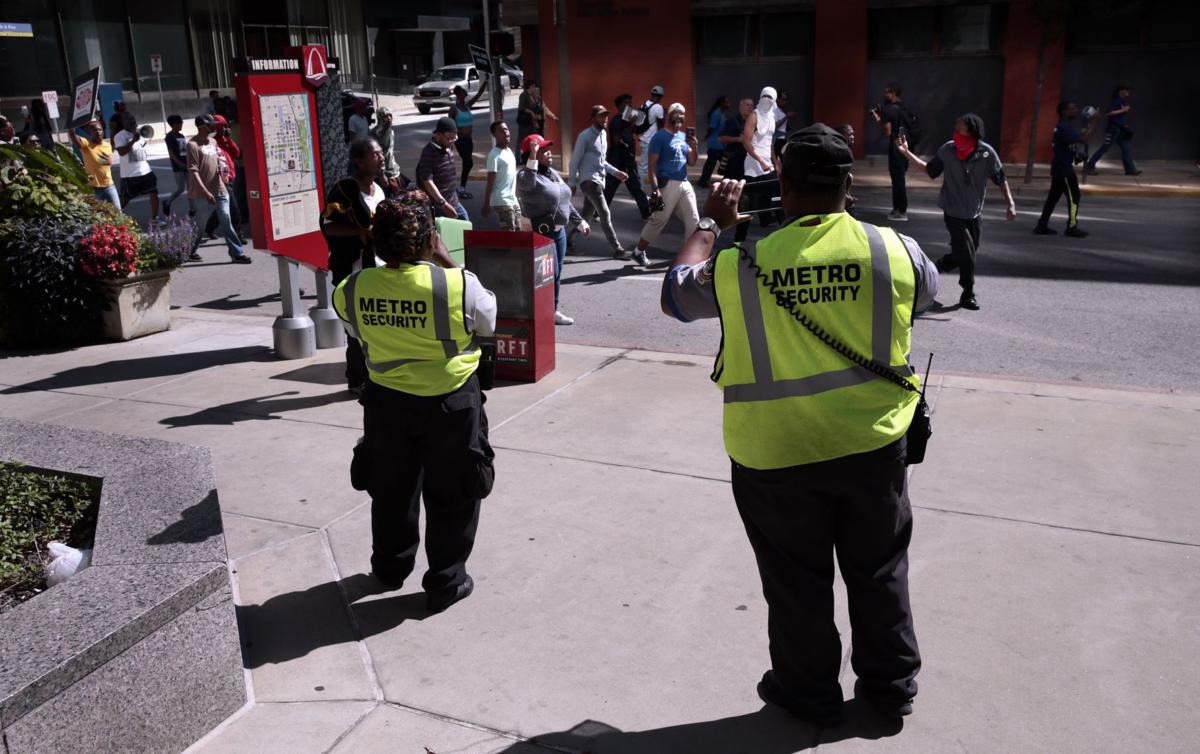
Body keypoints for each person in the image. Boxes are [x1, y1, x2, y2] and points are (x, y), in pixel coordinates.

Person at [659, 123, 938, 728]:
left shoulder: (737, 264)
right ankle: (890, 690)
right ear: (848, 185)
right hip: (873, 444)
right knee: (880, 570)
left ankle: (808, 693)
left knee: (796, 585)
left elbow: (675, 296)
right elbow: (923, 298)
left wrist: (711, 225)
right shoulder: (897, 250)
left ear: (780, 183)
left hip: (774, 456)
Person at [333, 191, 497, 613]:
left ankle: (389, 569)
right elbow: (487, 321)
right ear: (429, 241)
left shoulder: (350, 289)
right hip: (451, 405)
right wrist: (449, 262)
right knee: (453, 493)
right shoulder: (458, 283)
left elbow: (355, 334)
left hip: (386, 404)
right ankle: (445, 581)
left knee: (390, 490)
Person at [896, 113, 1016, 311]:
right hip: (953, 211)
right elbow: (929, 170)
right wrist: (906, 152)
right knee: (967, 254)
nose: (956, 134)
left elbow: (1000, 178)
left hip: (974, 213)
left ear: (972, 132)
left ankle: (939, 265)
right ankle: (967, 293)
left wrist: (1010, 203)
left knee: (967, 251)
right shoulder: (948, 150)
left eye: (960, 130)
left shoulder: (986, 153)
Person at [322, 138, 392, 397]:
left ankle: (376, 374)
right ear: (360, 161)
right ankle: (356, 379)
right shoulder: (344, 191)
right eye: (375, 154)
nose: (381, 157)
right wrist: (359, 231)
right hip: (352, 270)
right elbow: (328, 225)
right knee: (356, 328)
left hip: (380, 270)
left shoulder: (382, 188)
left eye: (381, 153)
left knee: (378, 326)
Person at [516, 134, 589, 325]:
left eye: (548, 149)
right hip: (542, 233)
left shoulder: (551, 173)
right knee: (545, 275)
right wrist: (532, 154)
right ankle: (538, 310)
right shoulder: (525, 176)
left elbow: (564, 200)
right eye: (543, 150)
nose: (549, 153)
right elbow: (529, 184)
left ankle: (552, 310)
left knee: (555, 274)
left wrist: (579, 222)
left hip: (559, 233)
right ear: (531, 154)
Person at [631, 103, 699, 266]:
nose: (680, 117)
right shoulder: (659, 137)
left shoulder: (683, 137)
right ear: (669, 116)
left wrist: (694, 146)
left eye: (682, 114)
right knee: (659, 219)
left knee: (694, 219)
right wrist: (655, 189)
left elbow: (692, 161)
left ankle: (688, 256)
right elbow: (652, 166)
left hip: (684, 183)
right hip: (667, 184)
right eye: (676, 113)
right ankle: (638, 251)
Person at [568, 105, 629, 259]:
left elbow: (602, 162)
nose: (605, 119)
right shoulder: (585, 136)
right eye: (601, 116)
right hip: (589, 181)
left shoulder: (603, 135)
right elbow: (574, 160)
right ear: (593, 118)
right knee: (604, 213)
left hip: (598, 180)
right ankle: (617, 249)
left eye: (606, 115)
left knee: (586, 216)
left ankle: (568, 241)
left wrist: (616, 172)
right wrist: (572, 183)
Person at [187, 114, 250, 263]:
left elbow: (220, 159)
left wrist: (225, 172)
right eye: (211, 124)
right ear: (202, 126)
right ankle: (190, 250)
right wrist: (205, 191)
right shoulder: (193, 145)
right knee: (200, 225)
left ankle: (237, 253)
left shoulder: (213, 141)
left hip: (220, 189)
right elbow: (193, 170)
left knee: (226, 220)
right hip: (202, 192)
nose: (214, 127)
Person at [1035, 102, 1096, 238]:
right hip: (1064, 170)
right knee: (1074, 197)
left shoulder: (1064, 127)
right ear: (1064, 112)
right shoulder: (1063, 127)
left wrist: (1077, 156)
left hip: (1060, 167)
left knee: (1053, 197)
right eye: (1072, 109)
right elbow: (1083, 139)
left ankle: (1042, 224)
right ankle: (1072, 226)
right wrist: (1094, 123)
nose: (1076, 110)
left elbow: (1069, 146)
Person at [734, 87, 779, 243]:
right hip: (753, 165)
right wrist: (761, 161)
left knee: (777, 200)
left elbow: (770, 142)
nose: (767, 100)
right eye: (765, 96)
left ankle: (777, 231)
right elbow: (746, 142)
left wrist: (775, 161)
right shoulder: (754, 116)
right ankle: (739, 240)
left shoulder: (772, 116)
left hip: (768, 164)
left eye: (770, 97)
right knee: (748, 205)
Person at [604, 93, 651, 221]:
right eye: (625, 103)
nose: (629, 105)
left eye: (630, 102)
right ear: (619, 105)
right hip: (616, 161)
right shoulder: (616, 121)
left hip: (629, 160)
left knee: (637, 189)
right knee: (609, 189)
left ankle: (647, 214)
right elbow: (617, 141)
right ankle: (599, 213)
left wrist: (639, 120)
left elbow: (642, 129)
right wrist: (629, 125)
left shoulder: (631, 119)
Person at [417, 117, 469, 221]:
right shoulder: (428, 152)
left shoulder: (448, 146)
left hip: (454, 201)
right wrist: (443, 203)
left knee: (466, 226)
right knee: (447, 234)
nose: (452, 142)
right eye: (449, 138)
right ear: (439, 135)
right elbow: (427, 181)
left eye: (454, 138)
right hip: (439, 206)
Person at [203, 115, 246, 242]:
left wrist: (228, 139)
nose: (225, 129)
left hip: (231, 177)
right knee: (234, 209)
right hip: (221, 180)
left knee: (223, 207)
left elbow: (236, 154)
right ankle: (238, 235)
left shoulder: (225, 139)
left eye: (226, 126)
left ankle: (209, 228)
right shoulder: (211, 141)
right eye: (223, 127)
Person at [872, 83, 909, 221]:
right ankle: (899, 208)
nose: (884, 95)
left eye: (886, 92)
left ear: (893, 93)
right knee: (900, 179)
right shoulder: (905, 108)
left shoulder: (888, 110)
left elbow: (887, 132)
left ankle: (900, 210)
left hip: (896, 149)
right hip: (906, 148)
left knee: (897, 180)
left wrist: (878, 119)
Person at [1085, 84, 1140, 176]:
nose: (1128, 92)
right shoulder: (1117, 101)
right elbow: (1108, 113)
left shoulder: (1121, 101)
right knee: (1104, 148)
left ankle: (1131, 170)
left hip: (1120, 129)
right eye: (1127, 90)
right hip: (1113, 129)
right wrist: (1124, 110)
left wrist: (1124, 124)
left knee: (1126, 149)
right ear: (1121, 91)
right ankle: (1089, 166)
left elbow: (1117, 116)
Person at [448, 79, 489, 199]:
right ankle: (461, 187)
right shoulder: (453, 109)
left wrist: (485, 82)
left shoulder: (467, 106)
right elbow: (449, 126)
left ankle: (461, 187)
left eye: (464, 96)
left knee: (468, 163)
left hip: (469, 139)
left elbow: (478, 95)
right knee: (468, 162)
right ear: (457, 96)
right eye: (461, 95)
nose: (463, 98)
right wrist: (450, 142)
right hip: (459, 140)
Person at [114, 113, 160, 220]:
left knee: (154, 192)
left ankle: (155, 219)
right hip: (130, 175)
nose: (132, 122)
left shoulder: (139, 134)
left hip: (145, 171)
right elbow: (121, 152)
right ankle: (110, 217)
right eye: (129, 120)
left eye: (133, 120)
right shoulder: (120, 136)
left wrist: (137, 136)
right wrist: (133, 140)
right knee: (124, 200)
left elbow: (142, 146)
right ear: (123, 122)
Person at [68, 118, 120, 208]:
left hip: (110, 186)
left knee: (118, 213)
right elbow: (73, 136)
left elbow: (104, 161)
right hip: (94, 189)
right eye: (94, 130)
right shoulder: (86, 145)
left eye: (99, 129)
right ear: (89, 132)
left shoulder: (107, 145)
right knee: (100, 217)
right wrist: (72, 124)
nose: (98, 132)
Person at [483, 122, 522, 231]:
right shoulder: (494, 155)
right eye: (501, 131)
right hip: (501, 201)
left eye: (507, 129)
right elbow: (490, 181)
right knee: (510, 235)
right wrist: (486, 204)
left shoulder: (509, 151)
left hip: (513, 200)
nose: (506, 132)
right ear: (494, 135)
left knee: (520, 235)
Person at [163, 114, 195, 218]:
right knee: (180, 188)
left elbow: (185, 151)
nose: (181, 124)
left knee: (190, 187)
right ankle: (167, 203)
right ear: (173, 124)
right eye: (180, 123)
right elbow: (171, 154)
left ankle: (192, 209)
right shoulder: (170, 136)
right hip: (178, 167)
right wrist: (180, 164)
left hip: (186, 164)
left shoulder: (181, 136)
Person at [636, 85, 666, 186]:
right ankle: (644, 188)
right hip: (652, 140)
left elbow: (638, 121)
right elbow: (661, 124)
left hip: (643, 139)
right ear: (661, 96)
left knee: (643, 165)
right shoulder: (658, 107)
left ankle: (641, 187)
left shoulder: (644, 104)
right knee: (655, 163)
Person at [718, 98, 754, 182]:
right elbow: (721, 139)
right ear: (740, 106)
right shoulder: (733, 121)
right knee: (730, 184)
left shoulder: (753, 122)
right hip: (733, 159)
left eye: (752, 105)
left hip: (748, 159)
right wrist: (738, 139)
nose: (750, 107)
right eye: (747, 105)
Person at [372, 107, 406, 193]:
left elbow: (389, 153)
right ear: (380, 118)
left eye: (390, 115)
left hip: (394, 171)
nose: (389, 119)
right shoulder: (374, 134)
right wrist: (381, 174)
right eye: (386, 116)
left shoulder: (390, 131)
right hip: (382, 174)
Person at [698, 95, 729, 189]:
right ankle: (703, 181)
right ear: (721, 103)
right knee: (711, 164)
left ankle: (704, 181)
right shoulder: (717, 113)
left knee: (723, 162)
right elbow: (712, 127)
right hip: (715, 144)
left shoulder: (721, 113)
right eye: (726, 102)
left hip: (720, 144)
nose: (728, 104)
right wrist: (707, 136)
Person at [517, 82, 557, 147]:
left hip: (540, 122)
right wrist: (533, 115)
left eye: (537, 90)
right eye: (535, 89)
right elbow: (524, 108)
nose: (536, 91)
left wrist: (553, 116)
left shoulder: (539, 99)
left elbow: (545, 109)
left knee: (539, 139)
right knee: (531, 139)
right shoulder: (528, 97)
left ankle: (539, 153)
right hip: (533, 122)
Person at [836, 124, 858, 212]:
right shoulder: (840, 153)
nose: (853, 137)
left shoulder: (845, 151)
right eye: (849, 134)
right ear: (841, 136)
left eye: (853, 134)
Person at [772, 90, 795, 157]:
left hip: (782, 139)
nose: (785, 102)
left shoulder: (780, 111)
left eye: (786, 100)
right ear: (777, 99)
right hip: (776, 140)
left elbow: (784, 127)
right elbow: (774, 125)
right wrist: (787, 116)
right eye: (783, 99)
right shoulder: (774, 110)